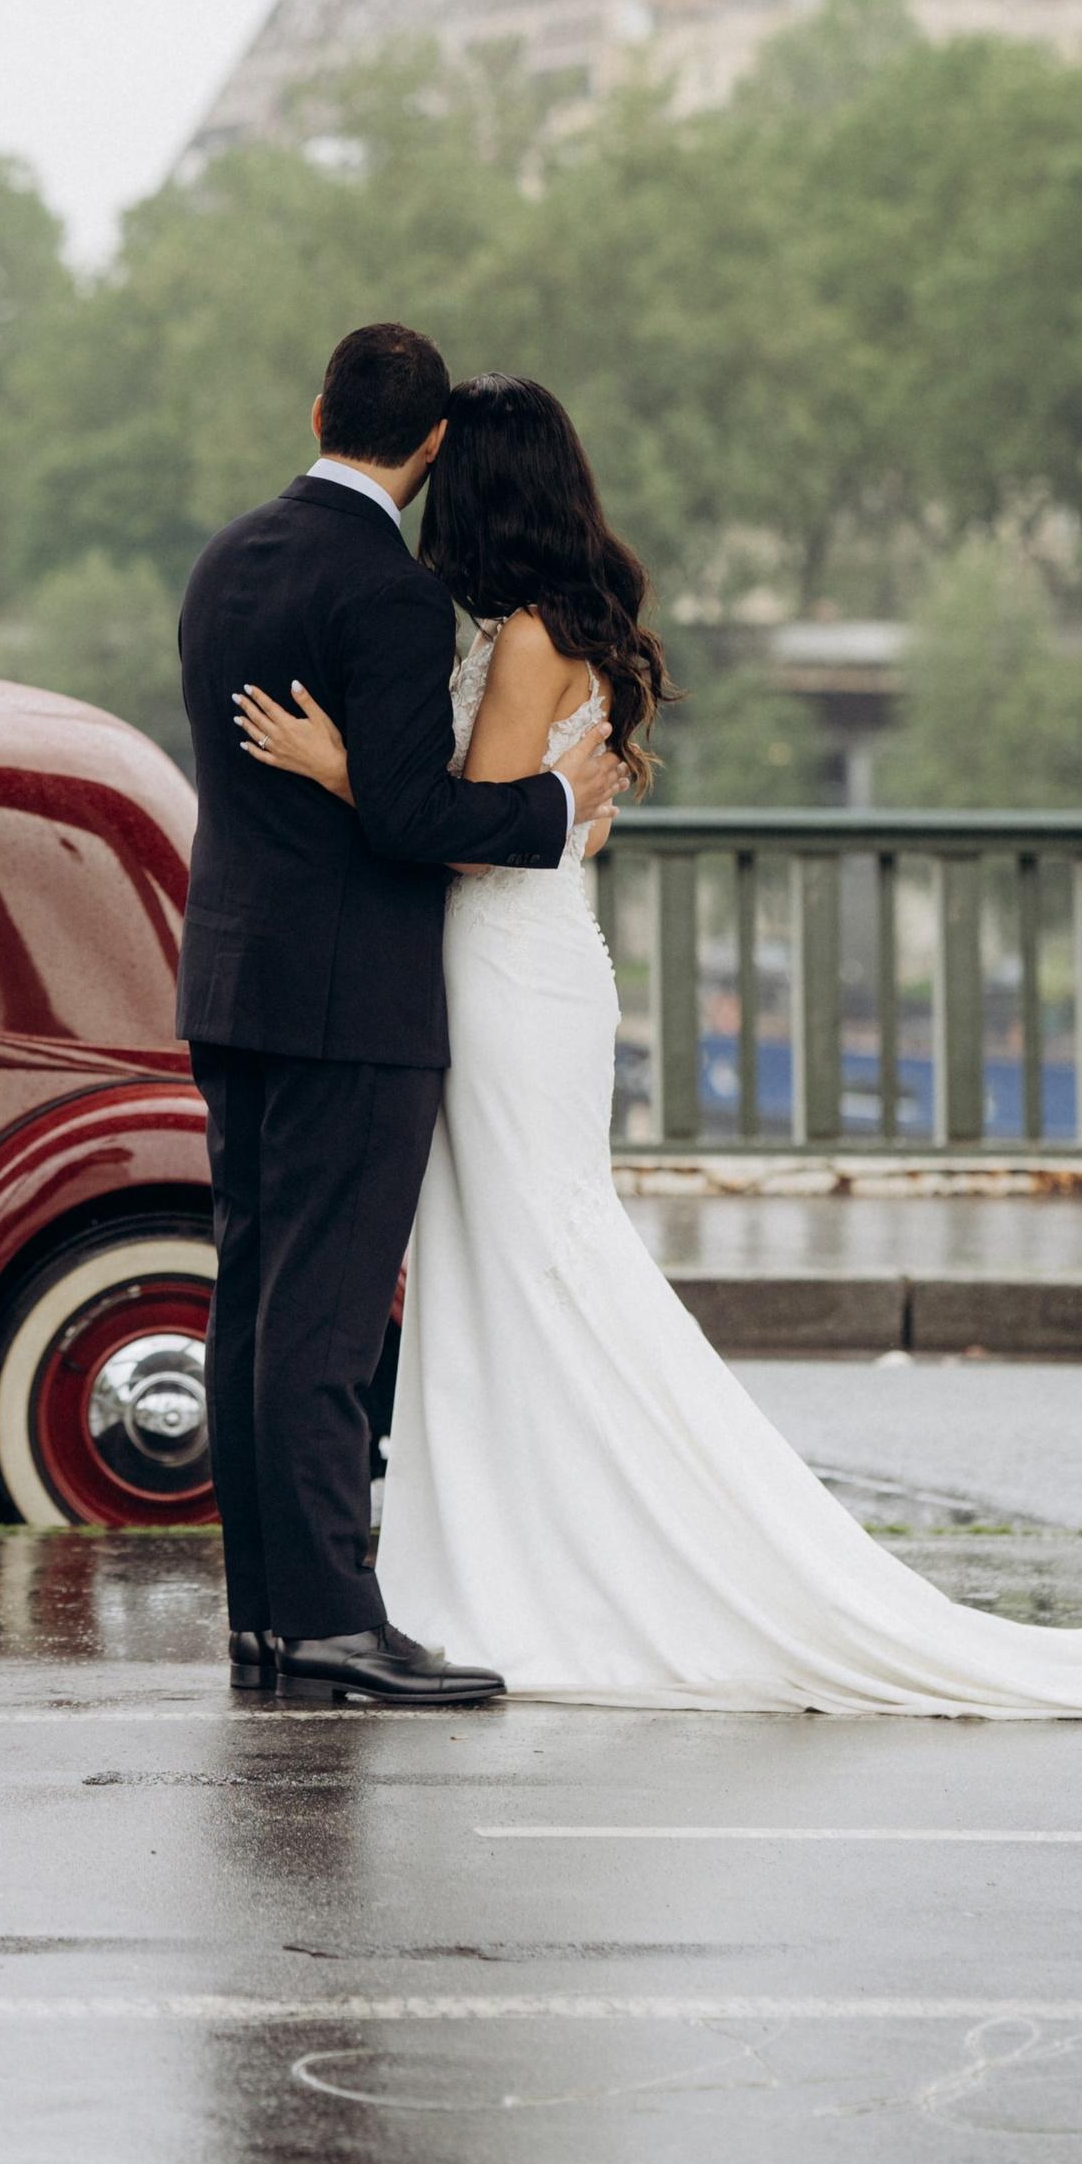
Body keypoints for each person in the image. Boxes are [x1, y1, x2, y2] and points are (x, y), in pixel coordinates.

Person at [236, 372, 1082, 1723]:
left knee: (528, 1262)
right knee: (525, 1263)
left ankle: (532, 1566)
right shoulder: (560, 627)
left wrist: (345, 771)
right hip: (536, 961)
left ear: (483, 491)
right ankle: (530, 1556)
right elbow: (556, 816)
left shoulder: (519, 641)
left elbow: (463, 822)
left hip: (505, 975)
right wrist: (550, 809)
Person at [176, 321, 626, 1710]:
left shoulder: (226, 559)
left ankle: (265, 1618)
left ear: (318, 409)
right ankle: (328, 1623)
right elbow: (425, 820)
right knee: (324, 1330)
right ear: (430, 449)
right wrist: (561, 801)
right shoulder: (387, 593)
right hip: (347, 1004)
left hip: (234, 980)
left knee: (251, 1306)